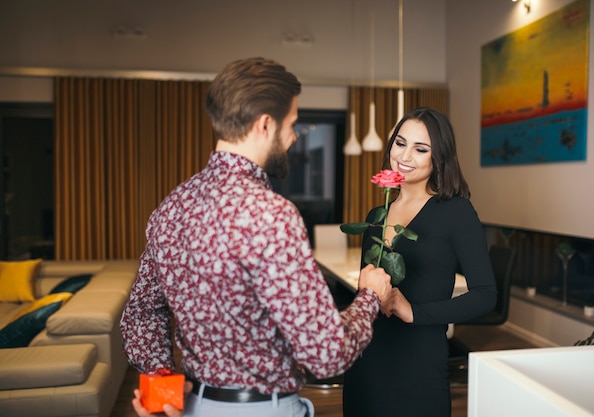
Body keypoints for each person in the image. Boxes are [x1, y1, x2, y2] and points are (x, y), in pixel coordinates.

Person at [120, 56, 392, 417]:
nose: (294, 136)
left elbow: (141, 313)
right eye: (292, 124)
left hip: (190, 407)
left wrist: (161, 385)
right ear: (265, 124)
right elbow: (328, 355)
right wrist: (371, 296)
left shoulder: (171, 207)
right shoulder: (271, 215)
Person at [342, 107, 498, 417]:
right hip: (366, 360)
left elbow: (486, 295)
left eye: (420, 148)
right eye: (400, 143)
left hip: (418, 363)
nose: (405, 155)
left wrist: (414, 311)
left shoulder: (456, 212)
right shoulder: (376, 215)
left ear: (438, 158)